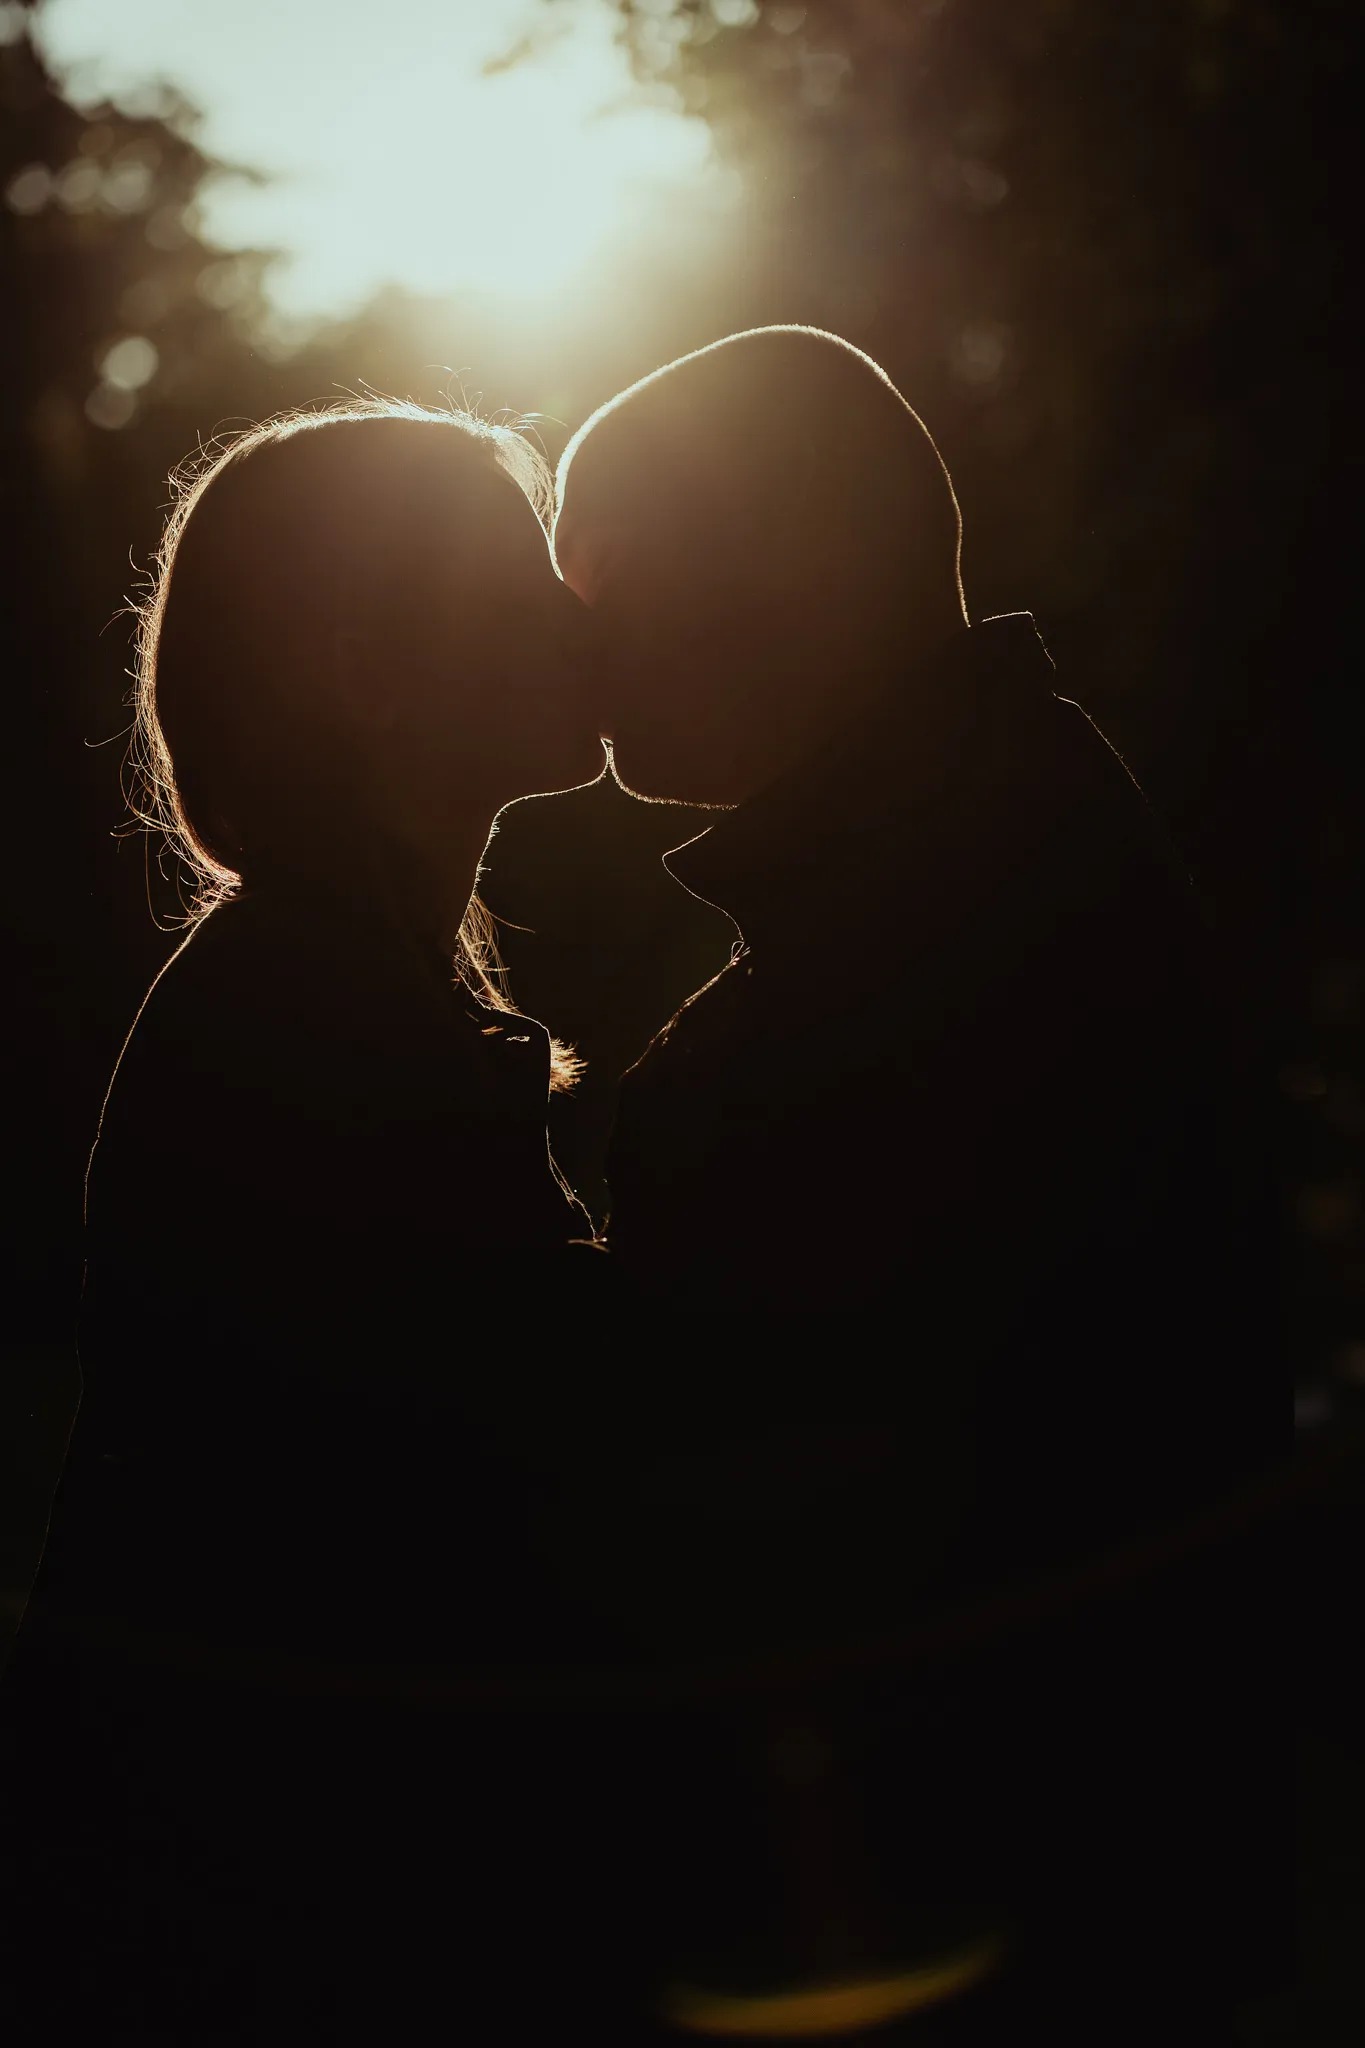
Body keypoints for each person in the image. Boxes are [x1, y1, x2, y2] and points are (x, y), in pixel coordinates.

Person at [552, 328, 1284, 2040]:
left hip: (970, 1910)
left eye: (600, 578)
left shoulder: (917, 950)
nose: (564, 643)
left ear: (768, 571)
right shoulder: (1011, 830)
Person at [2, 401, 636, 2035]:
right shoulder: (311, 1028)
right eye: (509, 578)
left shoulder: (326, 987)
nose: (582, 605)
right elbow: (523, 1477)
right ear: (365, 668)